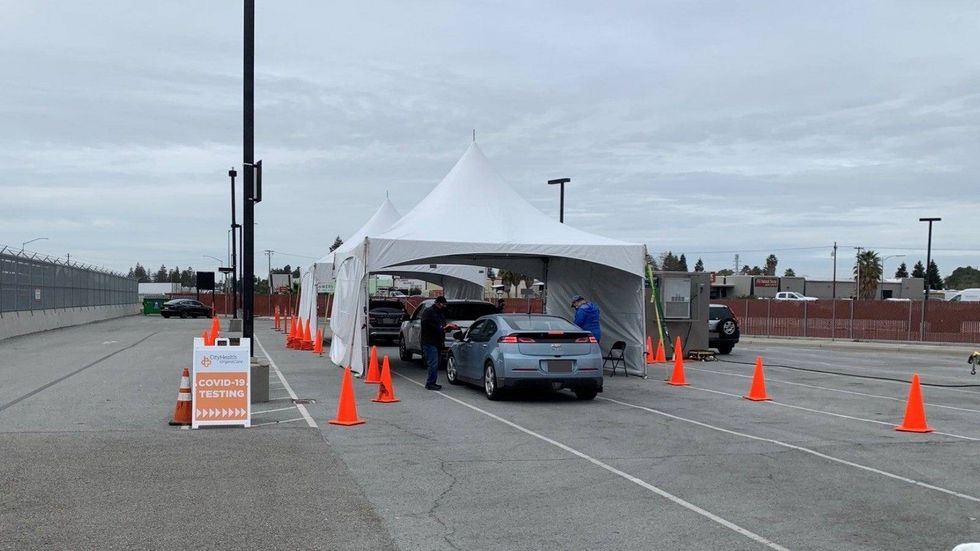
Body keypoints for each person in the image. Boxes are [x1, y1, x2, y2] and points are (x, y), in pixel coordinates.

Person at [420, 296, 458, 390]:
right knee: (433, 363)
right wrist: (441, 327)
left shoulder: (440, 313)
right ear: (438, 303)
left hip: (438, 341)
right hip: (429, 341)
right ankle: (430, 383)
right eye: (443, 304)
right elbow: (427, 325)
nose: (444, 306)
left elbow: (442, 326)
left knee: (437, 363)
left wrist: (448, 328)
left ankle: (432, 382)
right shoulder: (429, 312)